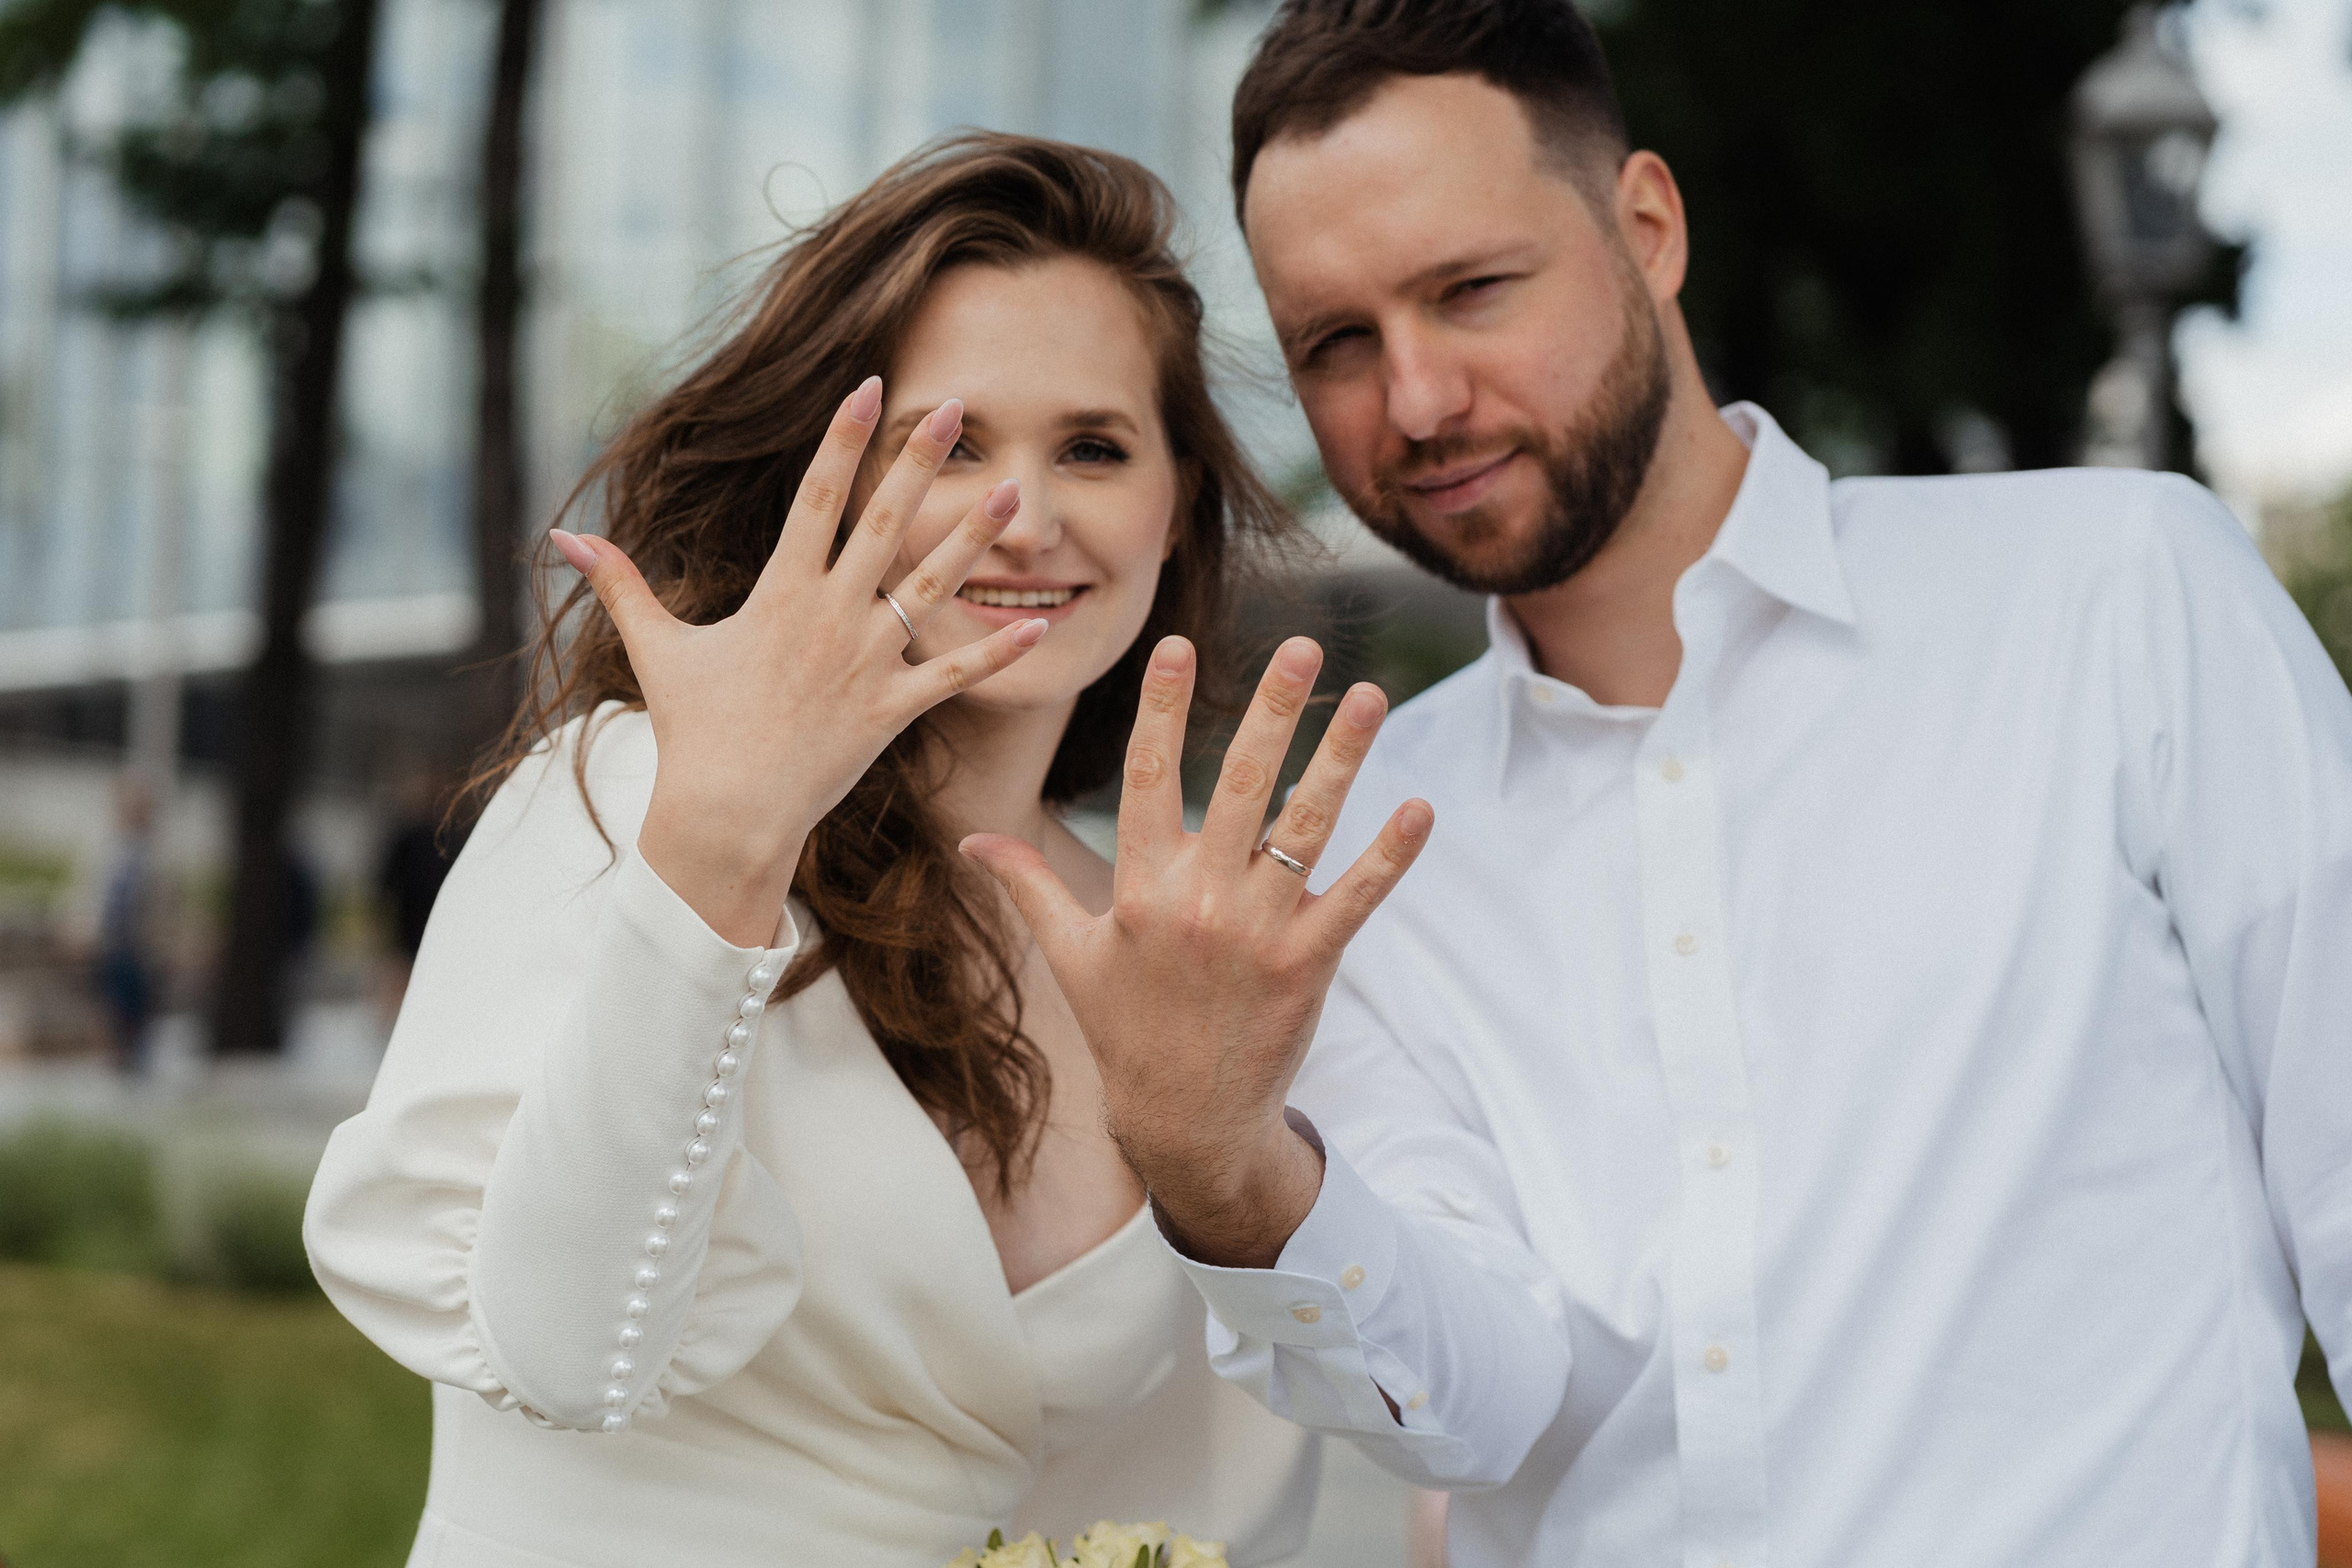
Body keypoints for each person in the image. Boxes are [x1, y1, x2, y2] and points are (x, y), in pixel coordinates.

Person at [963, 4, 2352, 1566]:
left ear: (1648, 226)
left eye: (1471, 290)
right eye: (1335, 345)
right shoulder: (1346, 849)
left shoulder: (2118, 598)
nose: (1416, 401)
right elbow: (1478, 1406)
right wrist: (1227, 1174)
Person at [302, 134, 1404, 1567]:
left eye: (1093, 445)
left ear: (1178, 497)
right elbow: (569, 1354)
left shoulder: (1155, 937)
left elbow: (1211, 1479)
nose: (1029, 514)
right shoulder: (636, 792)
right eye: (947, 447)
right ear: (824, 481)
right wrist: (724, 845)